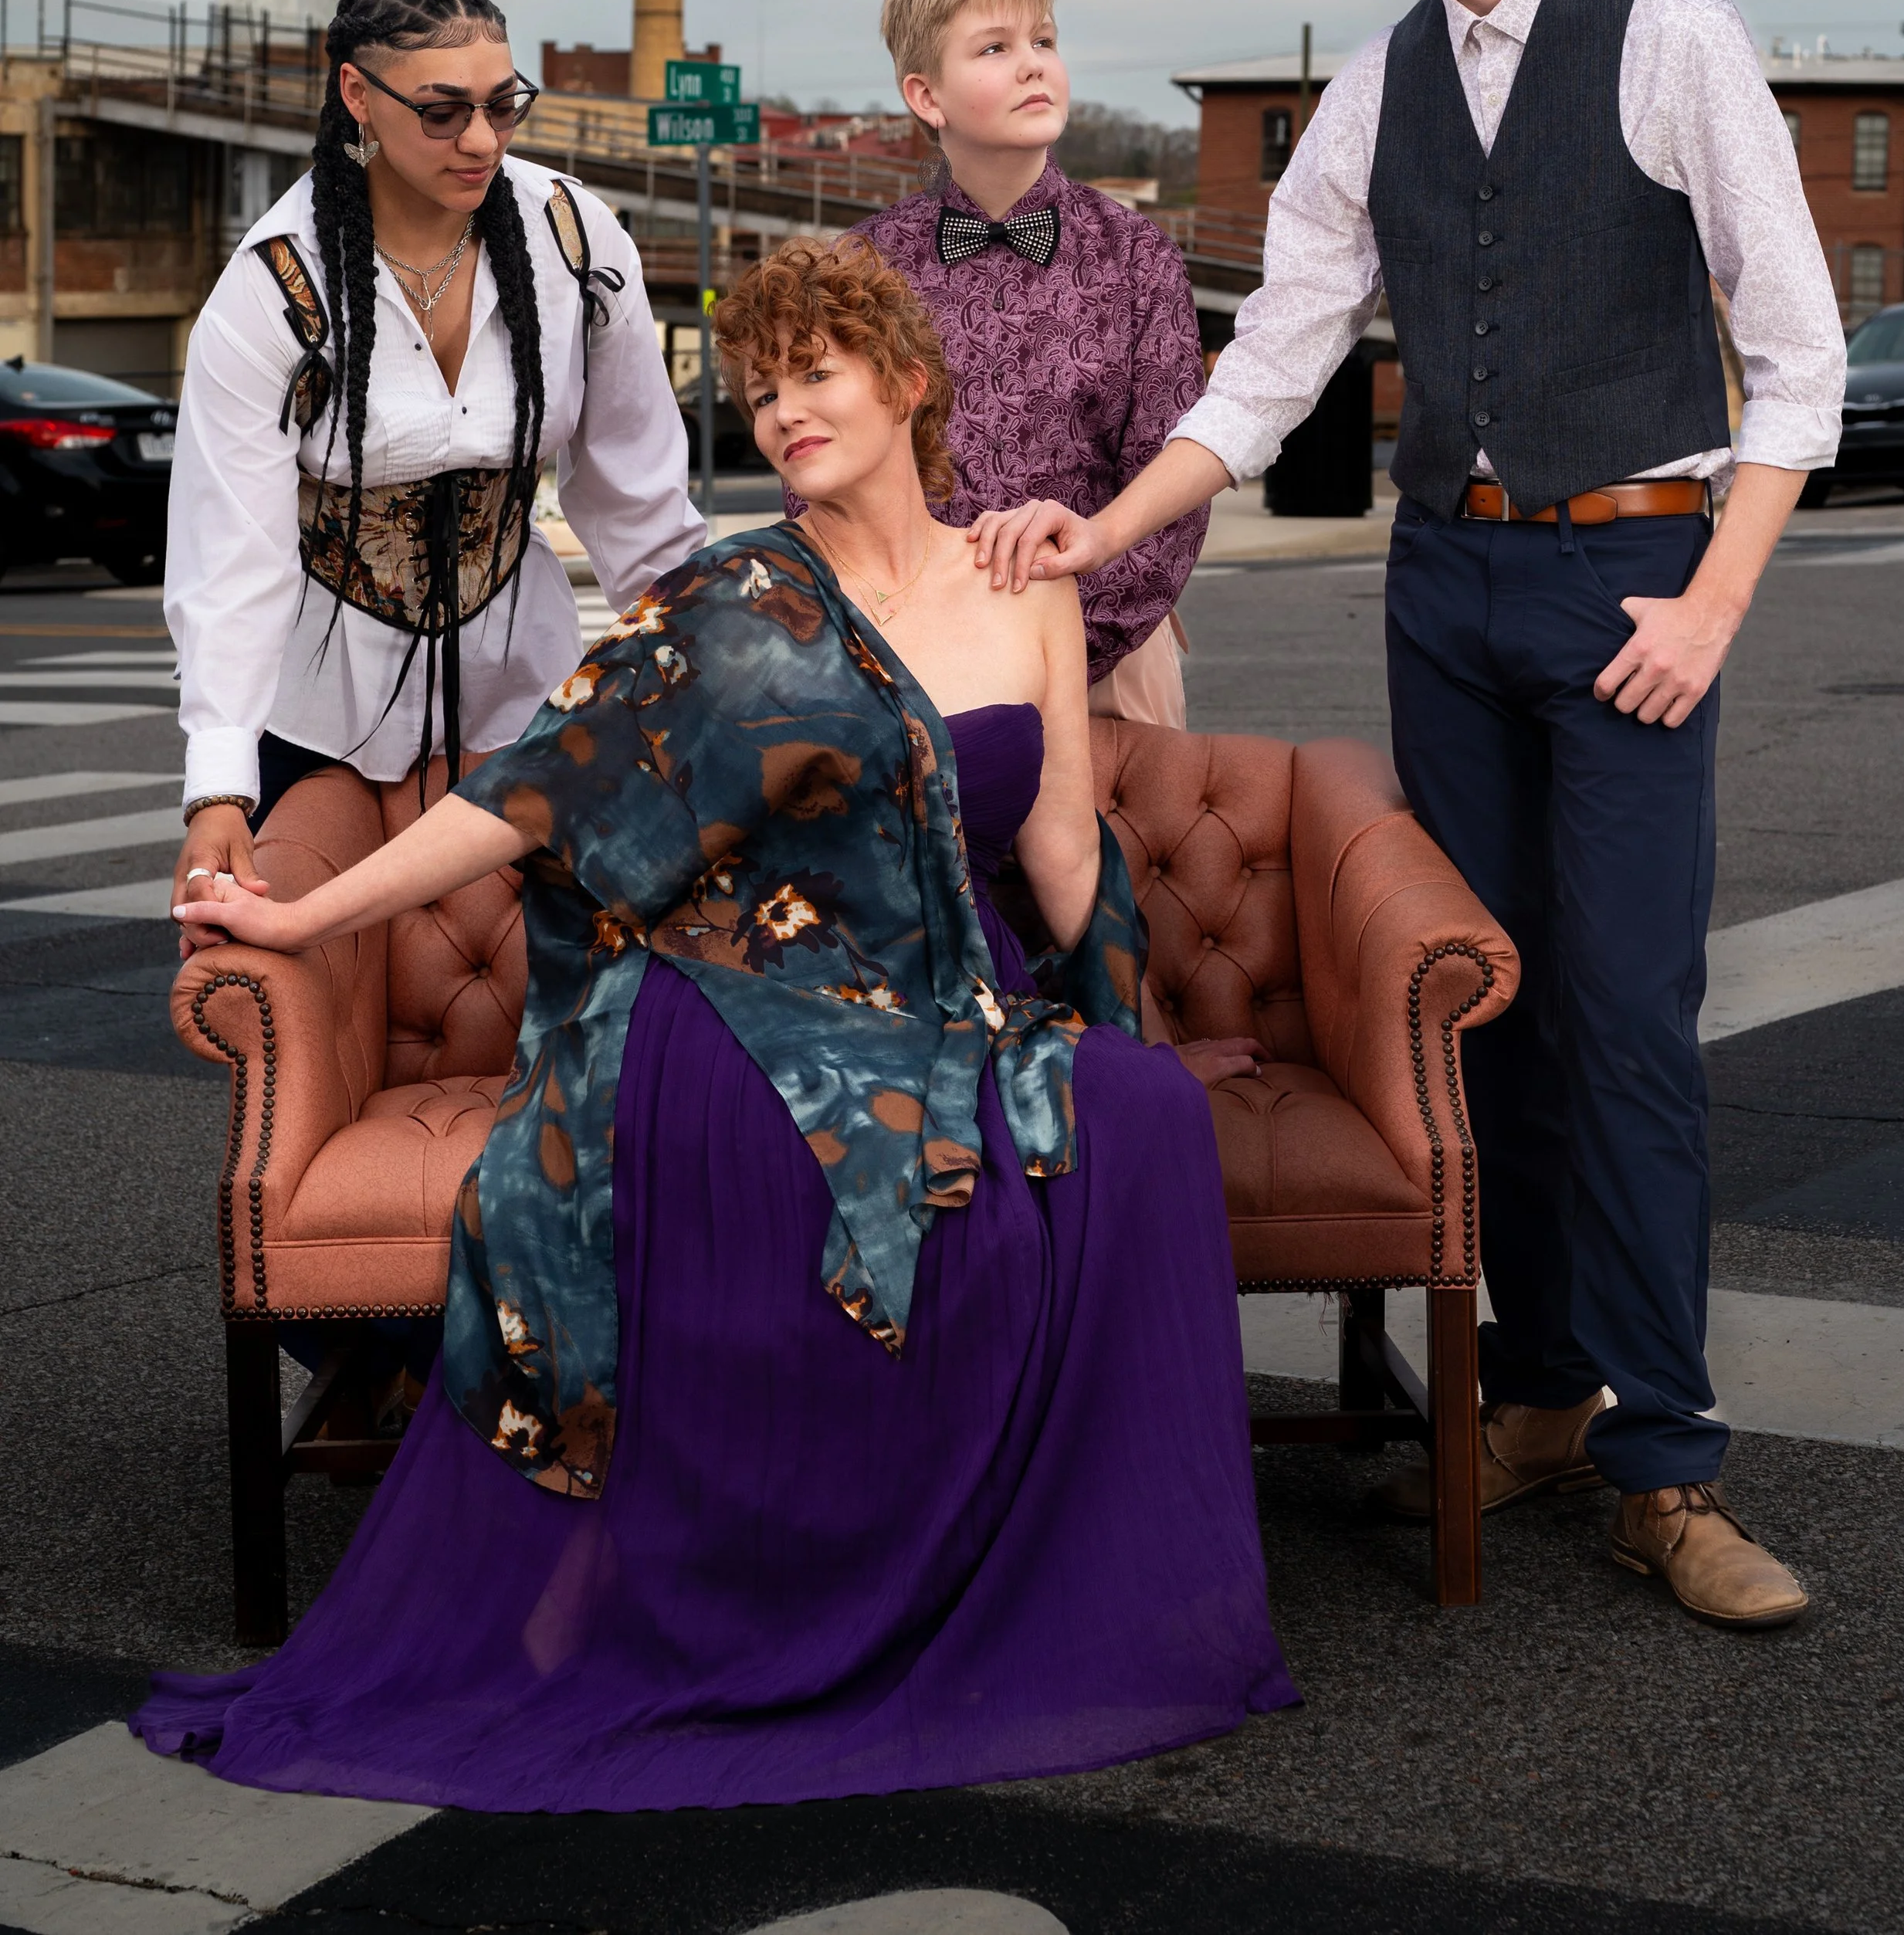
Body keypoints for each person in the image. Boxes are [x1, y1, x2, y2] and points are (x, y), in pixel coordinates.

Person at [139, 239, 1292, 1809]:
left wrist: (1126, 1030)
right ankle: (757, 1591)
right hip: (732, 1002)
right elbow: (526, 792)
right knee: (793, 1152)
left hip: (938, 1004)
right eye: (760, 390)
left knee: (1142, 1122)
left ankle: (1055, 1591)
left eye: (815, 373)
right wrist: (300, 913)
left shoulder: (1025, 582)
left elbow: (1068, 855)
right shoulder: (728, 597)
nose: (785, 410)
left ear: (907, 381)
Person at [969, 0, 1847, 1632]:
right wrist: (1102, 530)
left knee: (1625, 1015)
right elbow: (1278, 356)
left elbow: (1796, 358)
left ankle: (1668, 1462)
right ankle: (1539, 1388)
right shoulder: (1373, 89)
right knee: (1495, 1002)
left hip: (1632, 574)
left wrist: (1710, 603)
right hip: (1442, 578)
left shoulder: (1671, 33)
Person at [166, 0, 702, 918]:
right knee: (315, 957)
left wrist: (698, 682)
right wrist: (218, 785)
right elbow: (231, 557)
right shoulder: (274, 289)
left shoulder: (573, 240)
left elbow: (638, 500)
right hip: (312, 712)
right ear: (357, 96)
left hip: (519, 693)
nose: (483, 139)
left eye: (505, 105)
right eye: (443, 110)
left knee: (562, 967)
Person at [852, 0, 1208, 727]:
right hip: (915, 658)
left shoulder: (1137, 255)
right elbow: (830, 475)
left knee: (1118, 850)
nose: (1032, 66)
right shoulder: (861, 267)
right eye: (994, 48)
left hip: (1111, 659)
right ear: (925, 95)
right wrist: (924, 639)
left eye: (1043, 41)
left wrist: (1064, 645)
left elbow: (1174, 478)